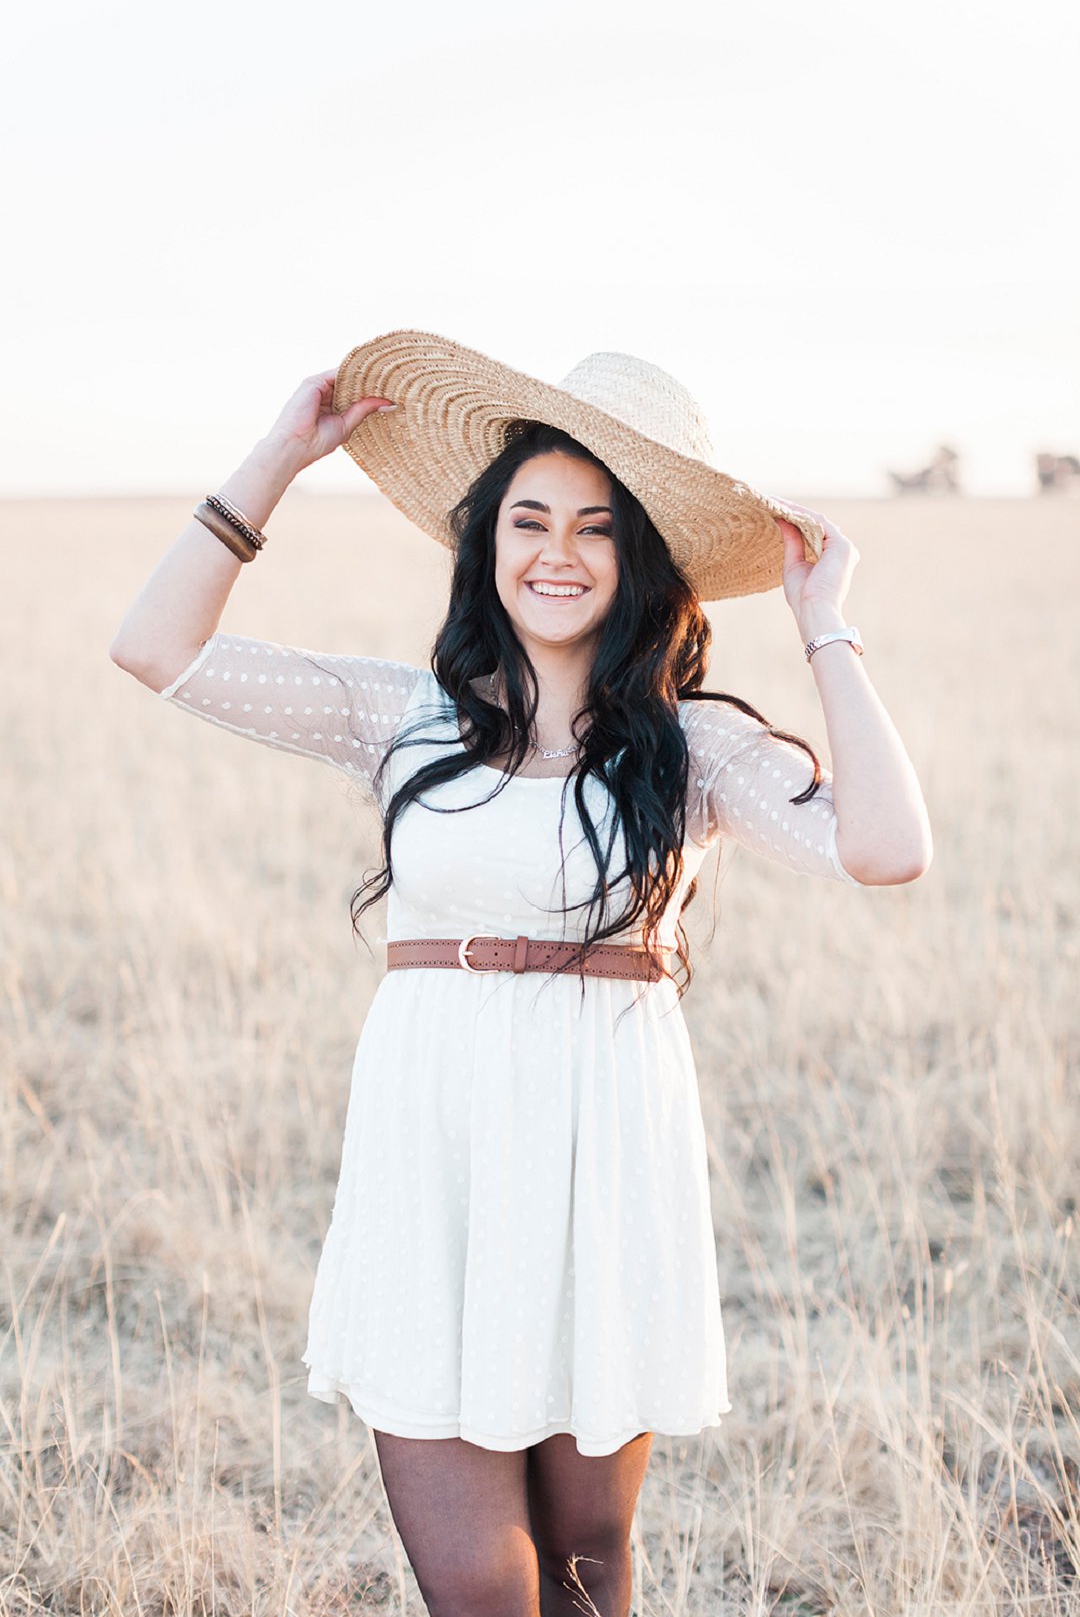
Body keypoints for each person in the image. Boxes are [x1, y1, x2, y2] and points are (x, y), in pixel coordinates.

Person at [110, 330, 932, 1617]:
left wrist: (827, 629)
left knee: (593, 1577)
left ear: (641, 556)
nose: (557, 552)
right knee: (486, 1596)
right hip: (430, 1160)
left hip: (602, 1172)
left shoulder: (695, 747)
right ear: (486, 540)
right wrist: (276, 460)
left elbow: (887, 849)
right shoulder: (401, 719)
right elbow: (157, 649)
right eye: (529, 518)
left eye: (596, 528)